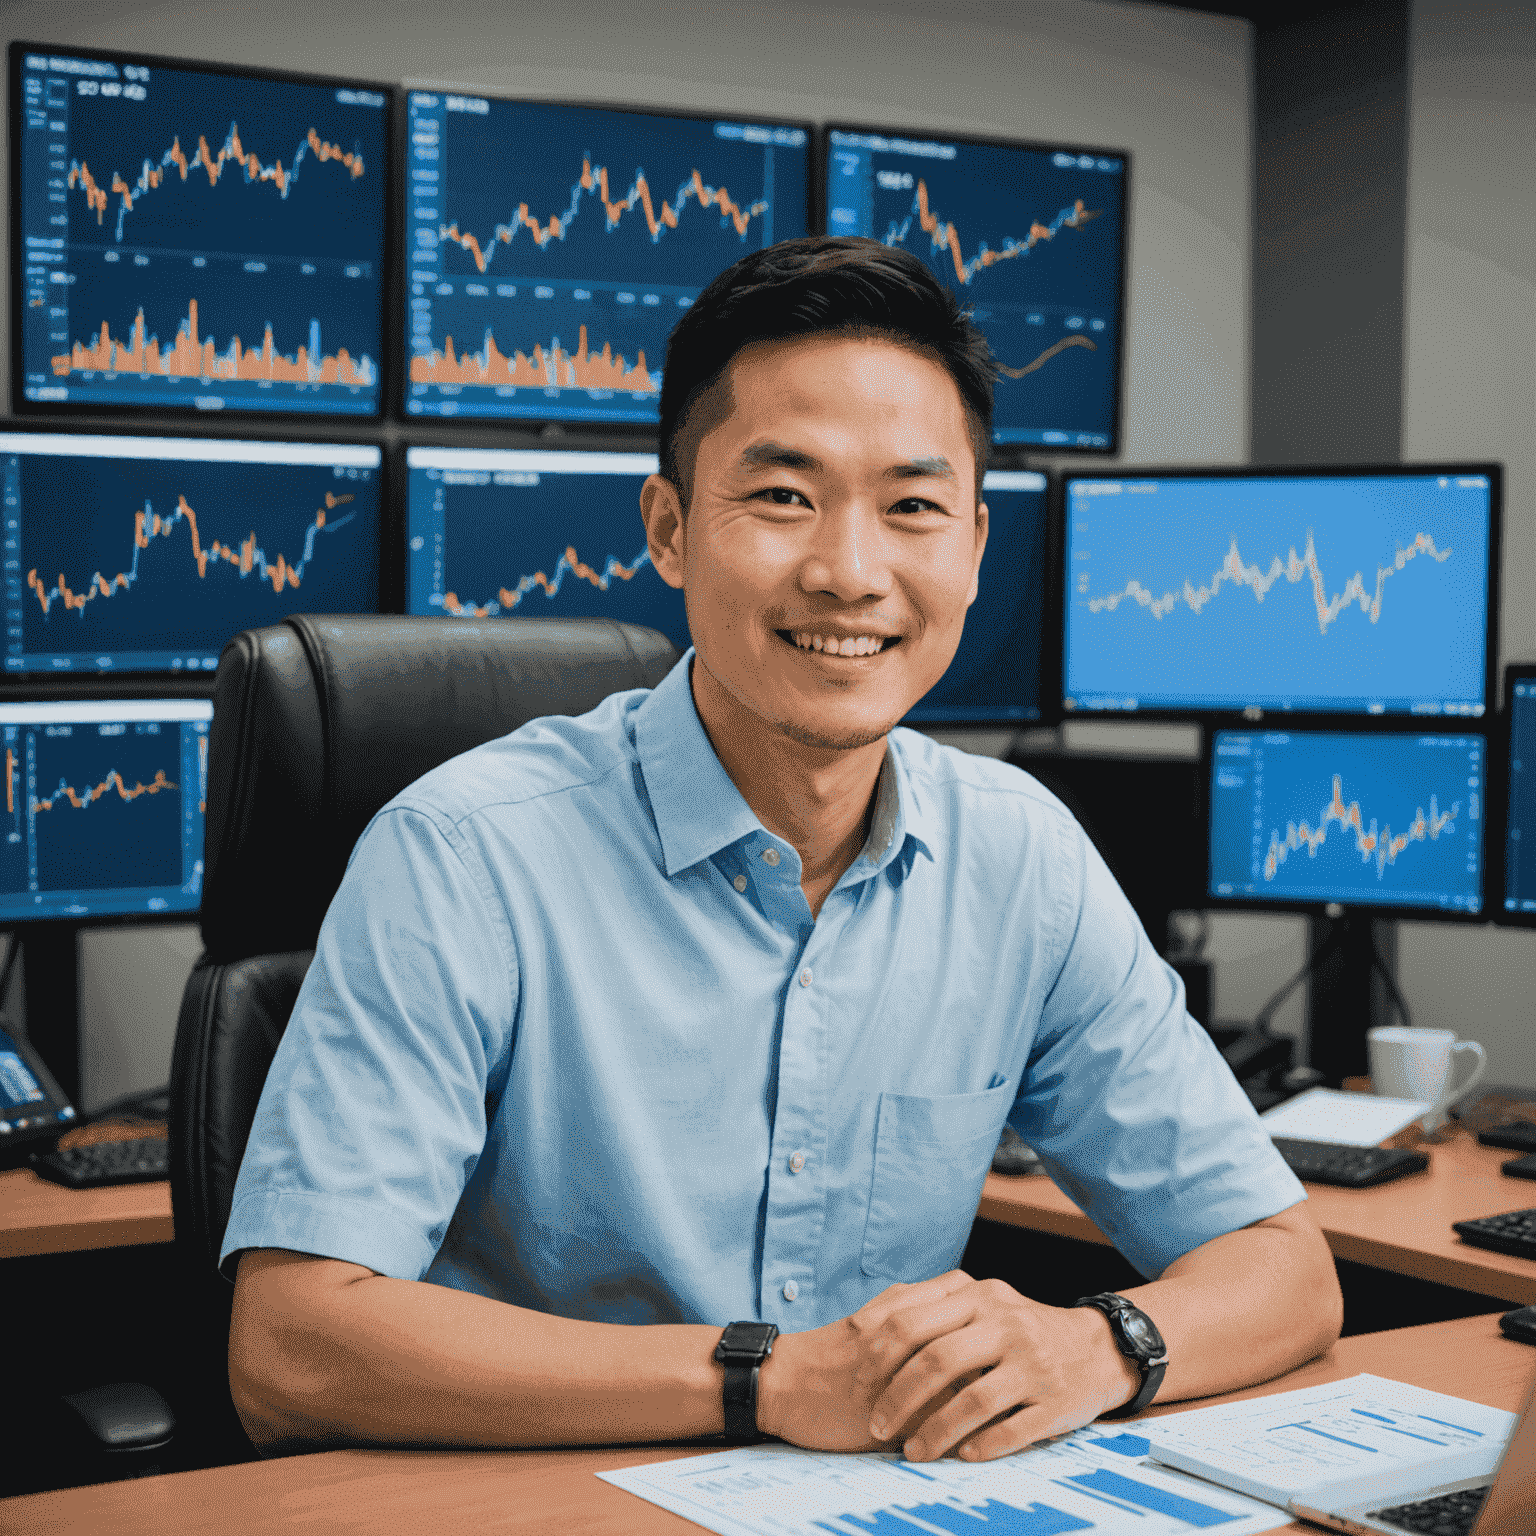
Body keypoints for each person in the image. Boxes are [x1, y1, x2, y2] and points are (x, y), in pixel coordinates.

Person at [224, 236, 1341, 1463]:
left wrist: (1095, 1346)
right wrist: (767, 1382)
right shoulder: (464, 858)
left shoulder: (1022, 861)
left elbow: (1286, 1271)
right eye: (782, 497)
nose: (850, 573)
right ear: (668, 528)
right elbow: (290, 1349)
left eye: (912, 506)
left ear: (973, 545)